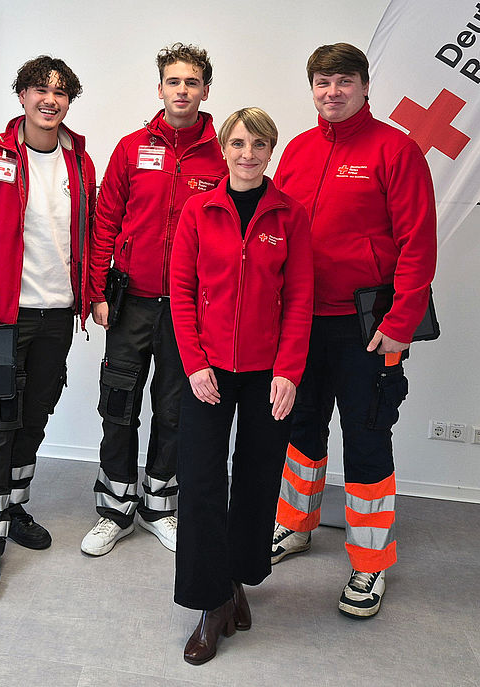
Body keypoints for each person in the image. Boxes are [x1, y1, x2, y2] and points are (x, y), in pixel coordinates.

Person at [270, 43, 436, 618]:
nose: (332, 91)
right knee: (301, 428)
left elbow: (418, 242)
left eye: (344, 80)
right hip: (301, 323)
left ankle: (370, 561)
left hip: (368, 329)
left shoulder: (396, 149)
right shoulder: (297, 149)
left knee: (366, 439)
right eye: (323, 81)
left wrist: (401, 323)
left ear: (365, 86)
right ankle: (296, 525)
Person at [0, 56, 95, 601]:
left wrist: (89, 296)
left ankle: (11, 509)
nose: (49, 100)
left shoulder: (80, 161)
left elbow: (88, 234)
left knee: (34, 419)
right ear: (22, 96)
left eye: (60, 92)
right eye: (39, 89)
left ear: (69, 100)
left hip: (56, 316)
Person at [170, 108, 313, 664]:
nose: (248, 154)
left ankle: (236, 582)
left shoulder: (290, 214)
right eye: (237, 143)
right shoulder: (199, 210)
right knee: (201, 483)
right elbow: (182, 291)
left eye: (259, 144)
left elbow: (299, 298)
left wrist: (288, 370)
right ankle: (211, 603)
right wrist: (194, 363)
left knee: (256, 479)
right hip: (207, 371)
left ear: (271, 151)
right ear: (223, 149)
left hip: (267, 373)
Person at [80, 43, 226, 557]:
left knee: (175, 409)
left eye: (192, 82)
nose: (182, 90)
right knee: (118, 405)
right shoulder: (130, 148)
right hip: (131, 302)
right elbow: (105, 221)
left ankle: (160, 506)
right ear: (160, 88)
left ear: (205, 91)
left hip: (189, 309)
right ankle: (114, 508)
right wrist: (96, 291)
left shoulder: (222, 154)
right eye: (173, 81)